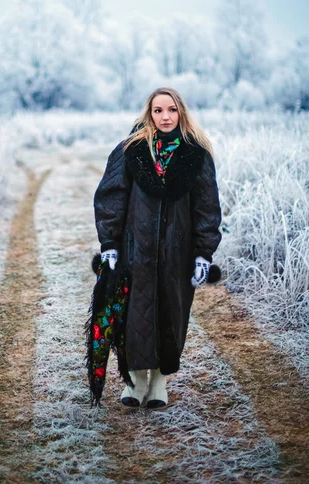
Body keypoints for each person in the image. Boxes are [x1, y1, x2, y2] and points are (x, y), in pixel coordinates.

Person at [93, 87, 222, 409]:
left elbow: (207, 208)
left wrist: (203, 253)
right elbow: (111, 197)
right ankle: (136, 381)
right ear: (149, 114)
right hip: (135, 249)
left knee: (171, 313)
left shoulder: (197, 155)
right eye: (158, 110)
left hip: (178, 254)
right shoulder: (131, 151)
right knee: (134, 314)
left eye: (171, 110)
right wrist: (109, 243)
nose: (165, 117)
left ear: (181, 112)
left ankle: (160, 382)